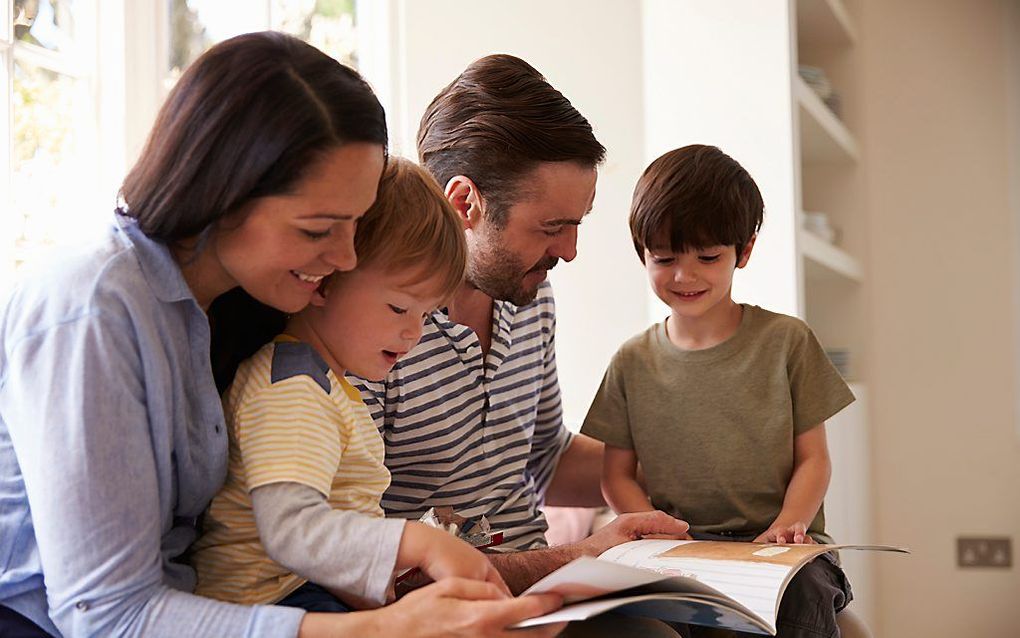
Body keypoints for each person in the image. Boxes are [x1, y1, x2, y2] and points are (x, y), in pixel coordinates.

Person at [0, 32, 561, 638]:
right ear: (225, 193)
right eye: (321, 228)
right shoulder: (93, 311)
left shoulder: (239, 308)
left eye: (354, 223)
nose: (346, 257)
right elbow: (108, 615)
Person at [349, 53, 690, 598]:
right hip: (460, 603)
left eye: (576, 225)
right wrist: (580, 556)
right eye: (552, 227)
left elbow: (545, 458)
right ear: (466, 203)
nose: (570, 252)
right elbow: (371, 562)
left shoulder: (531, 297)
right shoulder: (376, 328)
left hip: (550, 587)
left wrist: (706, 464)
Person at [191, 158, 507, 612]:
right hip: (267, 607)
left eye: (427, 313)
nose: (413, 333)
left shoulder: (333, 386)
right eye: (399, 309)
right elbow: (291, 531)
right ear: (324, 281)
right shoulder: (293, 389)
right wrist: (414, 542)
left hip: (309, 594)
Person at [580, 144, 857, 637]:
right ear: (641, 252)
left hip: (778, 544)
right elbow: (615, 476)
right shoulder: (631, 361)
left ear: (743, 251)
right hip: (680, 548)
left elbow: (814, 459)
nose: (685, 276)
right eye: (664, 258)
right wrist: (652, 524)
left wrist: (790, 524)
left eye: (708, 257)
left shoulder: (786, 342)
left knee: (803, 598)